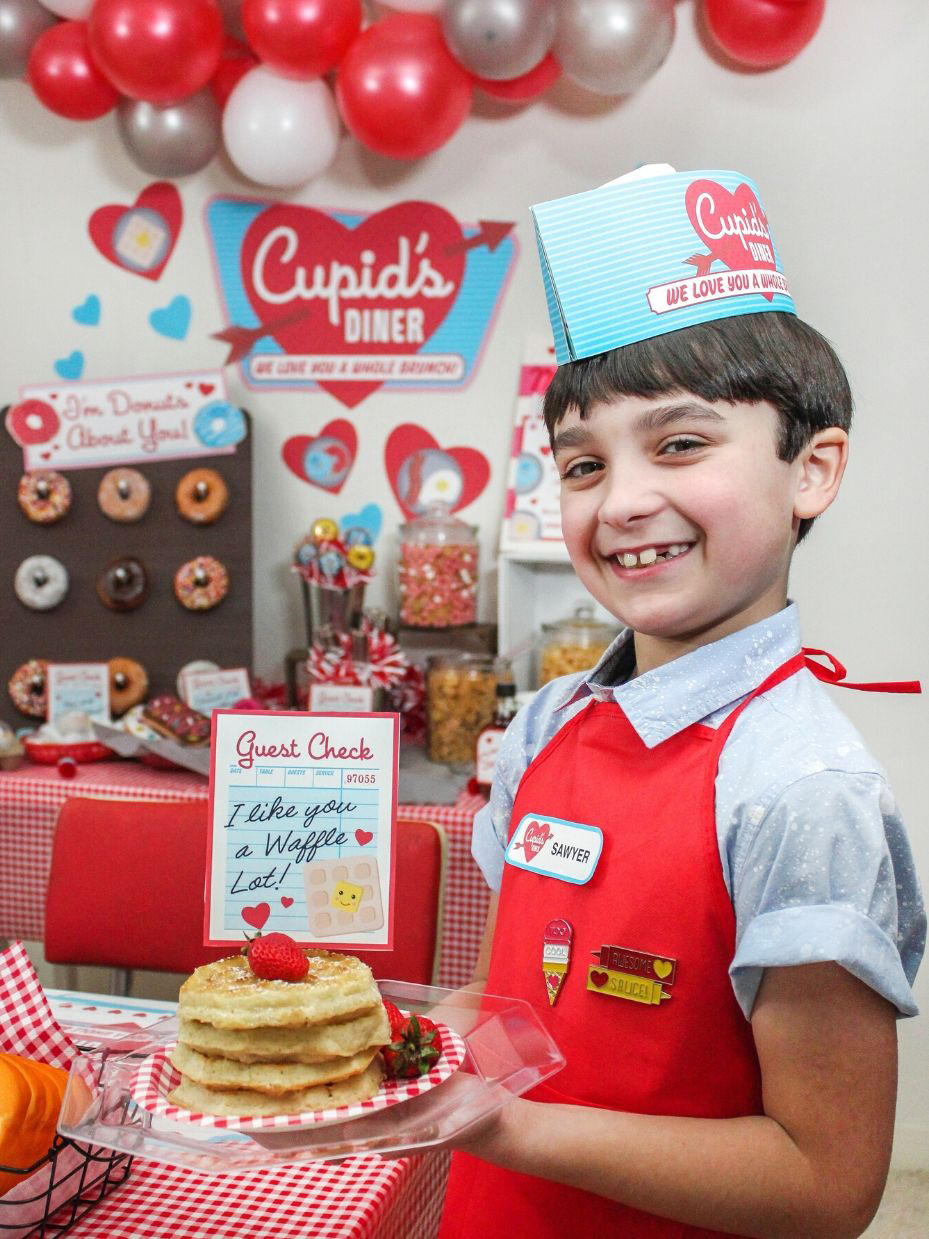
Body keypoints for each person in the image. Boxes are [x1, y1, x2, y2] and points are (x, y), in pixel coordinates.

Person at [437, 166, 925, 1239]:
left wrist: (510, 1127)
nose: (620, 502)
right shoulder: (545, 727)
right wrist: (395, 1059)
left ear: (811, 470)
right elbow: (508, 1013)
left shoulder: (800, 789)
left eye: (679, 444)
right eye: (579, 465)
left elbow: (824, 1184)